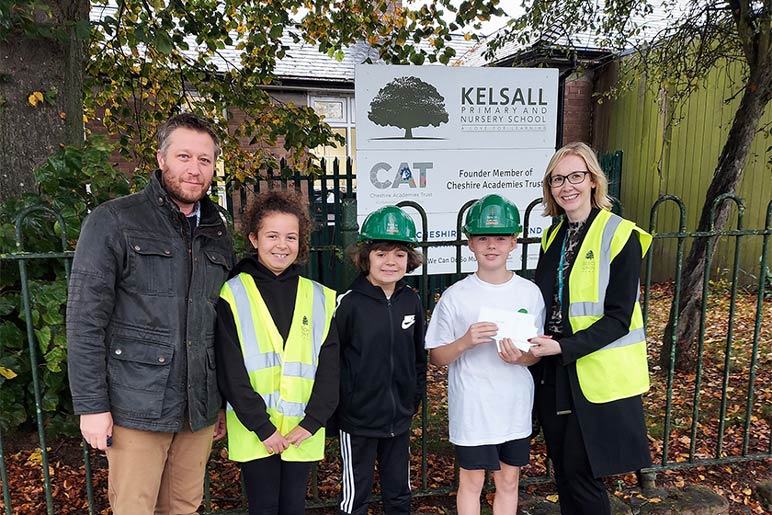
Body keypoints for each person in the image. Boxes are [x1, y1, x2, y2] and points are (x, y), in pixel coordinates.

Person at [67, 113, 234, 515]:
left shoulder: (217, 229)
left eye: (205, 160)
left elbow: (220, 324)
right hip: (134, 405)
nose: (194, 170)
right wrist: (91, 406)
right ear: (161, 159)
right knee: (134, 508)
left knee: (183, 506)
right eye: (184, 156)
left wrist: (220, 401)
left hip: (197, 409)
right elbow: (85, 319)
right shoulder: (114, 221)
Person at [529, 142, 653, 515]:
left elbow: (619, 317)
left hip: (596, 376)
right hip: (554, 373)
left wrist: (563, 348)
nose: (567, 186)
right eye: (558, 179)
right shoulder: (554, 236)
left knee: (583, 476)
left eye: (576, 176)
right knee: (564, 475)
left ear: (594, 181)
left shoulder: (621, 235)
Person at [215, 189, 339, 515]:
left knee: (293, 506)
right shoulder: (233, 292)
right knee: (264, 507)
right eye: (272, 236)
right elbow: (230, 369)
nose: (282, 245)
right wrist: (263, 427)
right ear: (254, 239)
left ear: (301, 242)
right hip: (257, 431)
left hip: (302, 430)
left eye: (291, 237)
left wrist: (312, 422)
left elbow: (330, 369)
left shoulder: (321, 297)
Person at [425, 194, 545, 515]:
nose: (492, 245)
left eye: (501, 238)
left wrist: (522, 357)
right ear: (470, 244)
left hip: (514, 406)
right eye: (483, 238)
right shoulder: (456, 296)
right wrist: (465, 341)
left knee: (508, 482)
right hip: (473, 407)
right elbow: (437, 356)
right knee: (472, 482)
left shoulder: (529, 293)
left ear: (513, 243)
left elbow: (536, 352)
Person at [332, 205, 427, 515]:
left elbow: (417, 357)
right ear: (366, 257)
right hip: (358, 420)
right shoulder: (348, 304)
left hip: (398, 418)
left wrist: (412, 399)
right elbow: (334, 361)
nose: (390, 261)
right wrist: (345, 405)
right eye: (382, 253)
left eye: (399, 254)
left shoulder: (411, 300)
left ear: (409, 259)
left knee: (399, 493)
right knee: (355, 497)